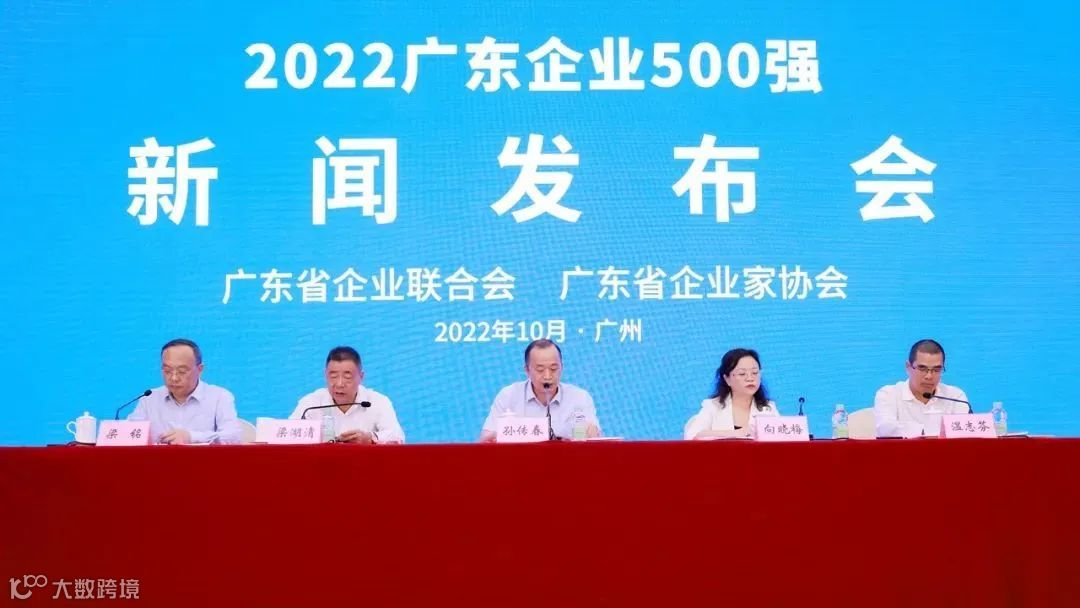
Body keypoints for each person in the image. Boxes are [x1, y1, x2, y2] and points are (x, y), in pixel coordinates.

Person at [479, 339, 600, 442]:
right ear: (527, 370)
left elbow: (594, 437)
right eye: (540, 370)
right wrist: (507, 432)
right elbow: (485, 439)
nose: (547, 376)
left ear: (561, 368)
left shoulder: (579, 397)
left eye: (553, 369)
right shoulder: (508, 396)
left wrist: (589, 432)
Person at [128, 338, 242, 444]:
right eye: (167, 371)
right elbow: (130, 435)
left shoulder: (219, 397)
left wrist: (191, 437)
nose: (174, 378)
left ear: (200, 369)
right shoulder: (149, 398)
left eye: (182, 371)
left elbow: (233, 437)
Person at [289, 346, 404, 444]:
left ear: (361, 377)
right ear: (325, 375)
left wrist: (370, 438)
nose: (339, 384)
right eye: (333, 376)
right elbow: (287, 436)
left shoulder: (377, 401)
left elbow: (397, 437)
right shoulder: (311, 404)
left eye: (347, 377)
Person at [874, 339, 970, 438]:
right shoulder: (888, 394)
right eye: (922, 369)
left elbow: (964, 432)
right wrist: (927, 432)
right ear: (908, 367)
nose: (929, 376)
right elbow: (885, 429)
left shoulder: (955, 397)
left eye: (936, 370)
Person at [684, 348, 779, 440]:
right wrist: (736, 433)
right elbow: (692, 435)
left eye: (754, 373)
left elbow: (781, 438)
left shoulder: (769, 408)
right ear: (727, 379)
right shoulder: (713, 406)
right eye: (742, 374)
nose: (750, 378)